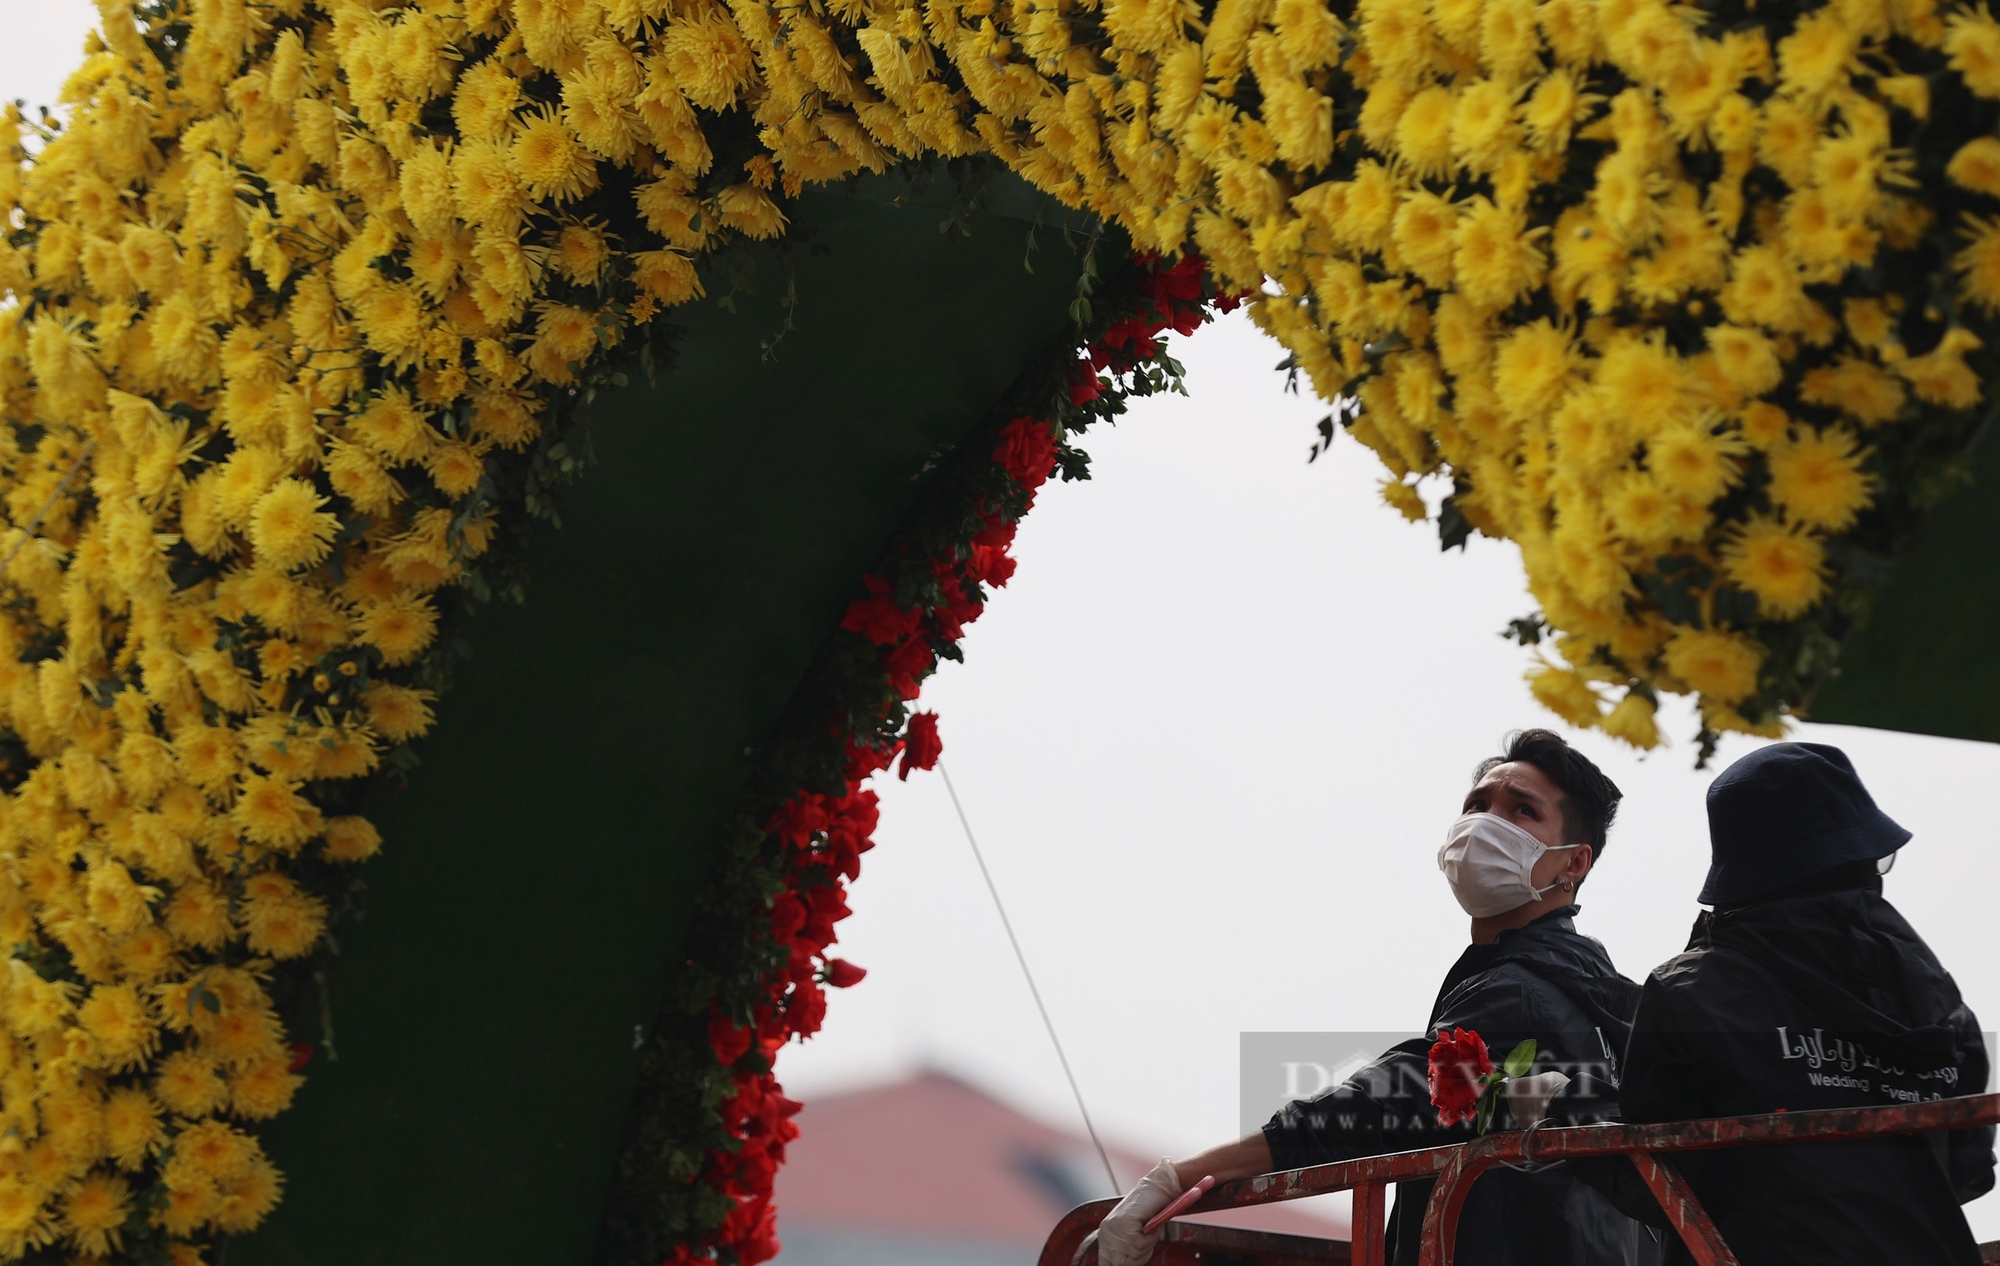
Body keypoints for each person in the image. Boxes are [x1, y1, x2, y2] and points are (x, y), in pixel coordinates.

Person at [1088, 729, 1662, 1266]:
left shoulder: (1522, 991)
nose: (1486, 824)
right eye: (1477, 805)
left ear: (1573, 863)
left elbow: (1374, 1106)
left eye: (1522, 810)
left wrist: (1174, 1180)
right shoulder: (1594, 999)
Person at [1602, 742, 1994, 1265]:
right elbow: (1968, 1172)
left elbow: (1657, 1183)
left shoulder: (1689, 991)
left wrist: (1557, 1108)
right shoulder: (1933, 991)